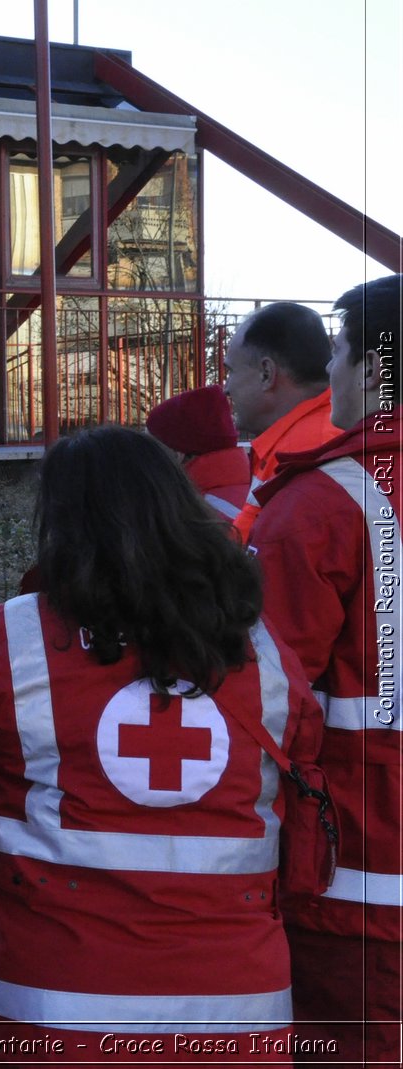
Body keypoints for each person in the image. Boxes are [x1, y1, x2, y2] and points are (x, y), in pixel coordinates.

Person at [0, 425, 325, 1063]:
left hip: (51, 1004)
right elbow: (291, 788)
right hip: (237, 1009)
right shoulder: (263, 649)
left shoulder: (9, 640)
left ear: (61, 522)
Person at [249, 273, 403, 1065]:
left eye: (340, 350)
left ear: (374, 370)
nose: (331, 370)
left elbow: (259, 694)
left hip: (361, 877)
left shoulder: (322, 505)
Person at [219, 301, 338, 539]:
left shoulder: (306, 452)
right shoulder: (305, 440)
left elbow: (265, 562)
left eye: (231, 371)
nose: (226, 388)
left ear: (266, 373)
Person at [145, 384, 249, 523]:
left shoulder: (199, 516)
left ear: (177, 454)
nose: (143, 455)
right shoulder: (255, 494)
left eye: (149, 447)